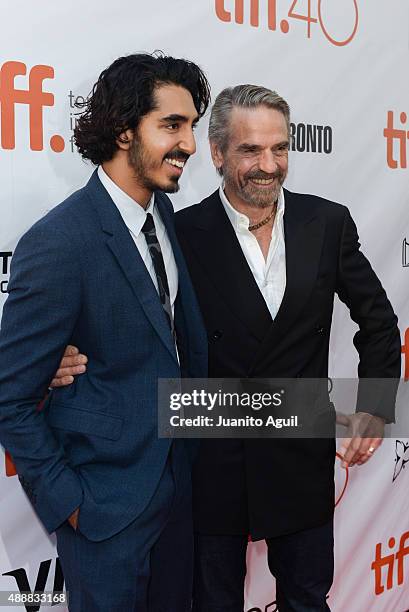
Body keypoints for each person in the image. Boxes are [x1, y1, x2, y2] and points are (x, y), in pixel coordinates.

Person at [54, 85, 401, 611]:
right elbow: (130, 319)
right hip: (212, 457)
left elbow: (379, 323)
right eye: (250, 150)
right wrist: (65, 356)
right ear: (217, 153)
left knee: (307, 599)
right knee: (211, 602)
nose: (268, 165)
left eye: (279, 148)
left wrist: (375, 408)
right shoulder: (180, 232)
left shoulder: (326, 223)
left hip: (299, 452)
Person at [0, 53, 210, 612]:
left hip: (176, 493)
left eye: (191, 125)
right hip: (104, 512)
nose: (189, 143)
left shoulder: (163, 215)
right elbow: (10, 398)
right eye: (172, 125)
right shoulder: (59, 242)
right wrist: (71, 503)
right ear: (123, 130)